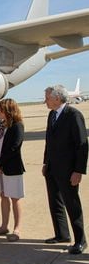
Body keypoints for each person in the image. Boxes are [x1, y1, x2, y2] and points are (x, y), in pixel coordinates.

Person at [42, 85, 88, 254]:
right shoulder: (52, 114)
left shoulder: (73, 115)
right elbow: (49, 141)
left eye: (47, 97)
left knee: (72, 203)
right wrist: (46, 163)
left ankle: (80, 240)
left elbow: (82, 145)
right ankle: (62, 234)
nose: (45, 100)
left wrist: (79, 171)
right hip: (52, 169)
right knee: (55, 202)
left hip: (69, 171)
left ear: (57, 98)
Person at [0, 98, 25, 242]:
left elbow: (14, 148)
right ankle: (4, 226)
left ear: (8, 111)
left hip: (11, 168)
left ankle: (17, 229)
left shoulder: (17, 126)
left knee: (15, 198)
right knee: (3, 196)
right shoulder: (2, 126)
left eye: (0, 110)